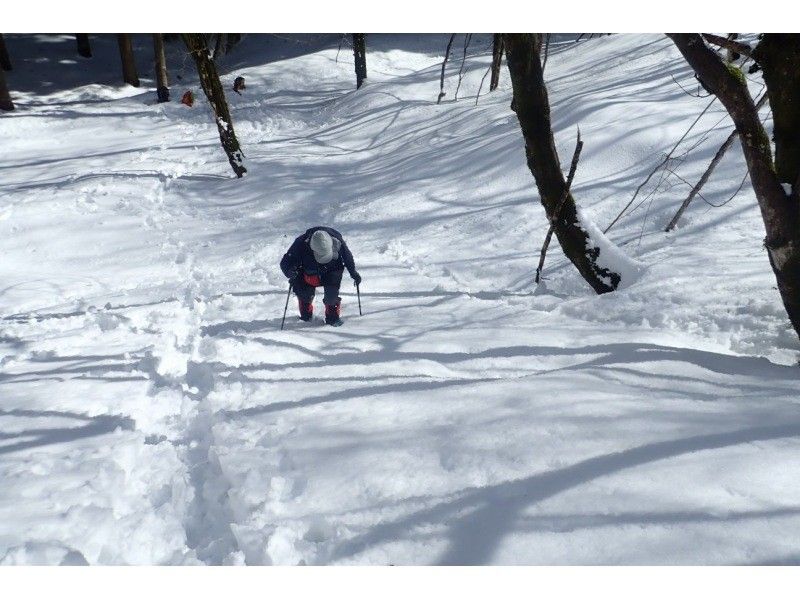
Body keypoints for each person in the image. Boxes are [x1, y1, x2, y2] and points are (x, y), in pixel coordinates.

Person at [280, 226, 361, 326]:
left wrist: (354, 273)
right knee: (304, 294)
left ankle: (332, 318)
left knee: (331, 297)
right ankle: (306, 316)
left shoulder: (337, 241)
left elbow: (347, 258)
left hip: (332, 270)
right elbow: (285, 262)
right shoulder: (300, 243)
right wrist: (290, 272)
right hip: (308, 271)